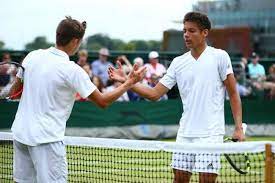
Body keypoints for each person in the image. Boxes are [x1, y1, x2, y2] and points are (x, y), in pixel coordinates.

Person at [109, 12, 245, 183]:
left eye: (192, 31)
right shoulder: (178, 63)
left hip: (211, 134)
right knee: (179, 180)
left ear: (205, 33)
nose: (186, 35)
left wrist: (238, 128)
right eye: (184, 30)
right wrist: (127, 82)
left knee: (206, 181)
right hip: (185, 133)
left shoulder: (220, 56)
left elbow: (233, 93)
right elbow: (154, 94)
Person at [10, 16, 146, 183]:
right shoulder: (72, 70)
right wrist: (129, 83)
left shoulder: (32, 56)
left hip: (20, 134)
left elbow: (14, 88)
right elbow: (102, 101)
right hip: (47, 139)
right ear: (75, 41)